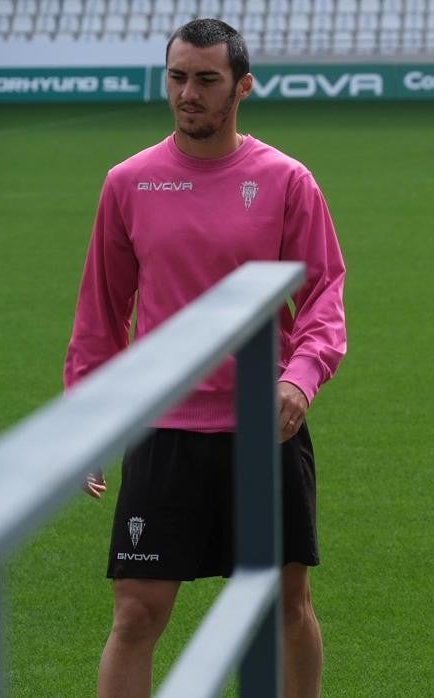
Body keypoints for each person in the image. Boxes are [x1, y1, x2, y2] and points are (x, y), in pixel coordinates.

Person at [63, 18, 346, 698]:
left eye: (207, 80)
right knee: (135, 613)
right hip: (166, 433)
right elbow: (102, 313)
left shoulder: (285, 181)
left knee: (284, 608)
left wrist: (301, 378)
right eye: (177, 77)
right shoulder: (128, 183)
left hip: (264, 431)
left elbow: (325, 295)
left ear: (243, 86)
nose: (188, 94)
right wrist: (87, 418)